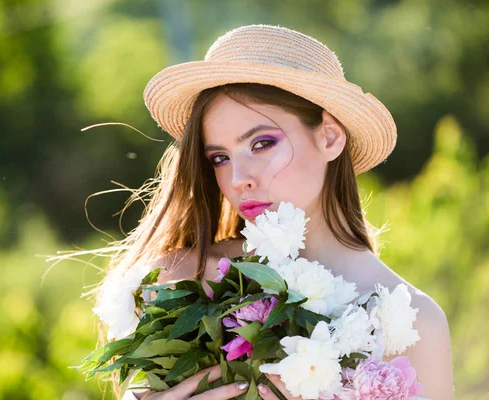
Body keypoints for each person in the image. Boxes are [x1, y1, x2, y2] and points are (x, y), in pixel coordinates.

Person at [97, 24, 453, 399]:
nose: (238, 179)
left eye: (261, 143)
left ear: (329, 137)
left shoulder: (415, 322)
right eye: (219, 157)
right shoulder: (185, 278)